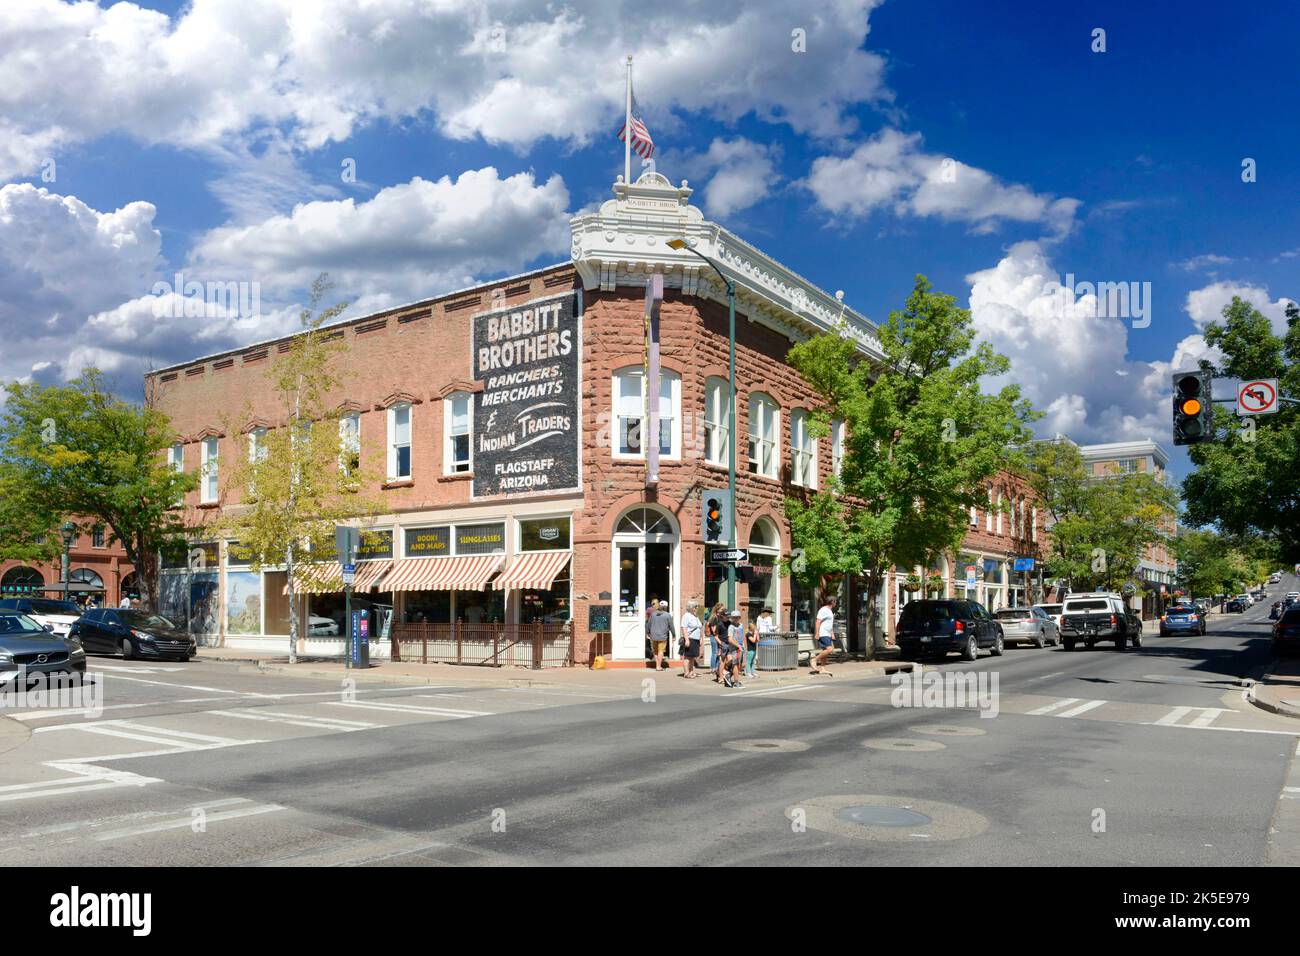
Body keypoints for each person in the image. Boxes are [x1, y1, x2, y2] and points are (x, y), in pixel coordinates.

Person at [646, 600, 675, 672]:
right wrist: (674, 635)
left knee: (655, 651)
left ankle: (657, 665)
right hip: (662, 636)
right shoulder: (668, 615)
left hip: (653, 636)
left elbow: (648, 624)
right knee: (661, 651)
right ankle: (658, 666)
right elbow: (671, 626)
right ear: (666, 607)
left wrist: (647, 633)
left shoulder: (653, 614)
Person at [811, 595, 836, 676]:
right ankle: (814, 659)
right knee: (830, 649)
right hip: (823, 633)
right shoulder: (823, 609)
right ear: (832, 602)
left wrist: (832, 634)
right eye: (835, 601)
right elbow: (818, 621)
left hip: (828, 634)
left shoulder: (830, 611)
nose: (836, 603)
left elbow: (829, 624)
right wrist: (817, 633)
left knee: (825, 652)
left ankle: (822, 669)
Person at [723, 610, 745, 688]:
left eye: (737, 617)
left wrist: (744, 647)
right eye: (734, 618)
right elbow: (730, 639)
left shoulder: (741, 625)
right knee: (735, 664)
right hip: (734, 649)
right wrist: (738, 645)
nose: (735, 619)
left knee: (741, 666)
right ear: (731, 618)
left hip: (741, 648)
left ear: (740, 618)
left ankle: (728, 674)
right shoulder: (731, 627)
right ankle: (736, 682)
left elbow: (743, 637)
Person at [681, 600, 703, 678]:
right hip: (690, 638)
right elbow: (684, 628)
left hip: (696, 639)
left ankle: (691, 671)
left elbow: (699, 628)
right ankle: (686, 673)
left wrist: (700, 638)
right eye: (696, 607)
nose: (697, 608)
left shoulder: (695, 616)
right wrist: (687, 639)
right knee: (687, 656)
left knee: (692, 657)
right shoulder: (686, 616)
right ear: (691, 607)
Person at [708, 602, 728, 682]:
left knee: (718, 653)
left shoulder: (719, 617)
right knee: (715, 652)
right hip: (714, 637)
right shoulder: (714, 618)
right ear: (717, 609)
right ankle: (713, 669)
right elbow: (713, 630)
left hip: (718, 637)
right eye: (721, 609)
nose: (722, 610)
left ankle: (717, 668)